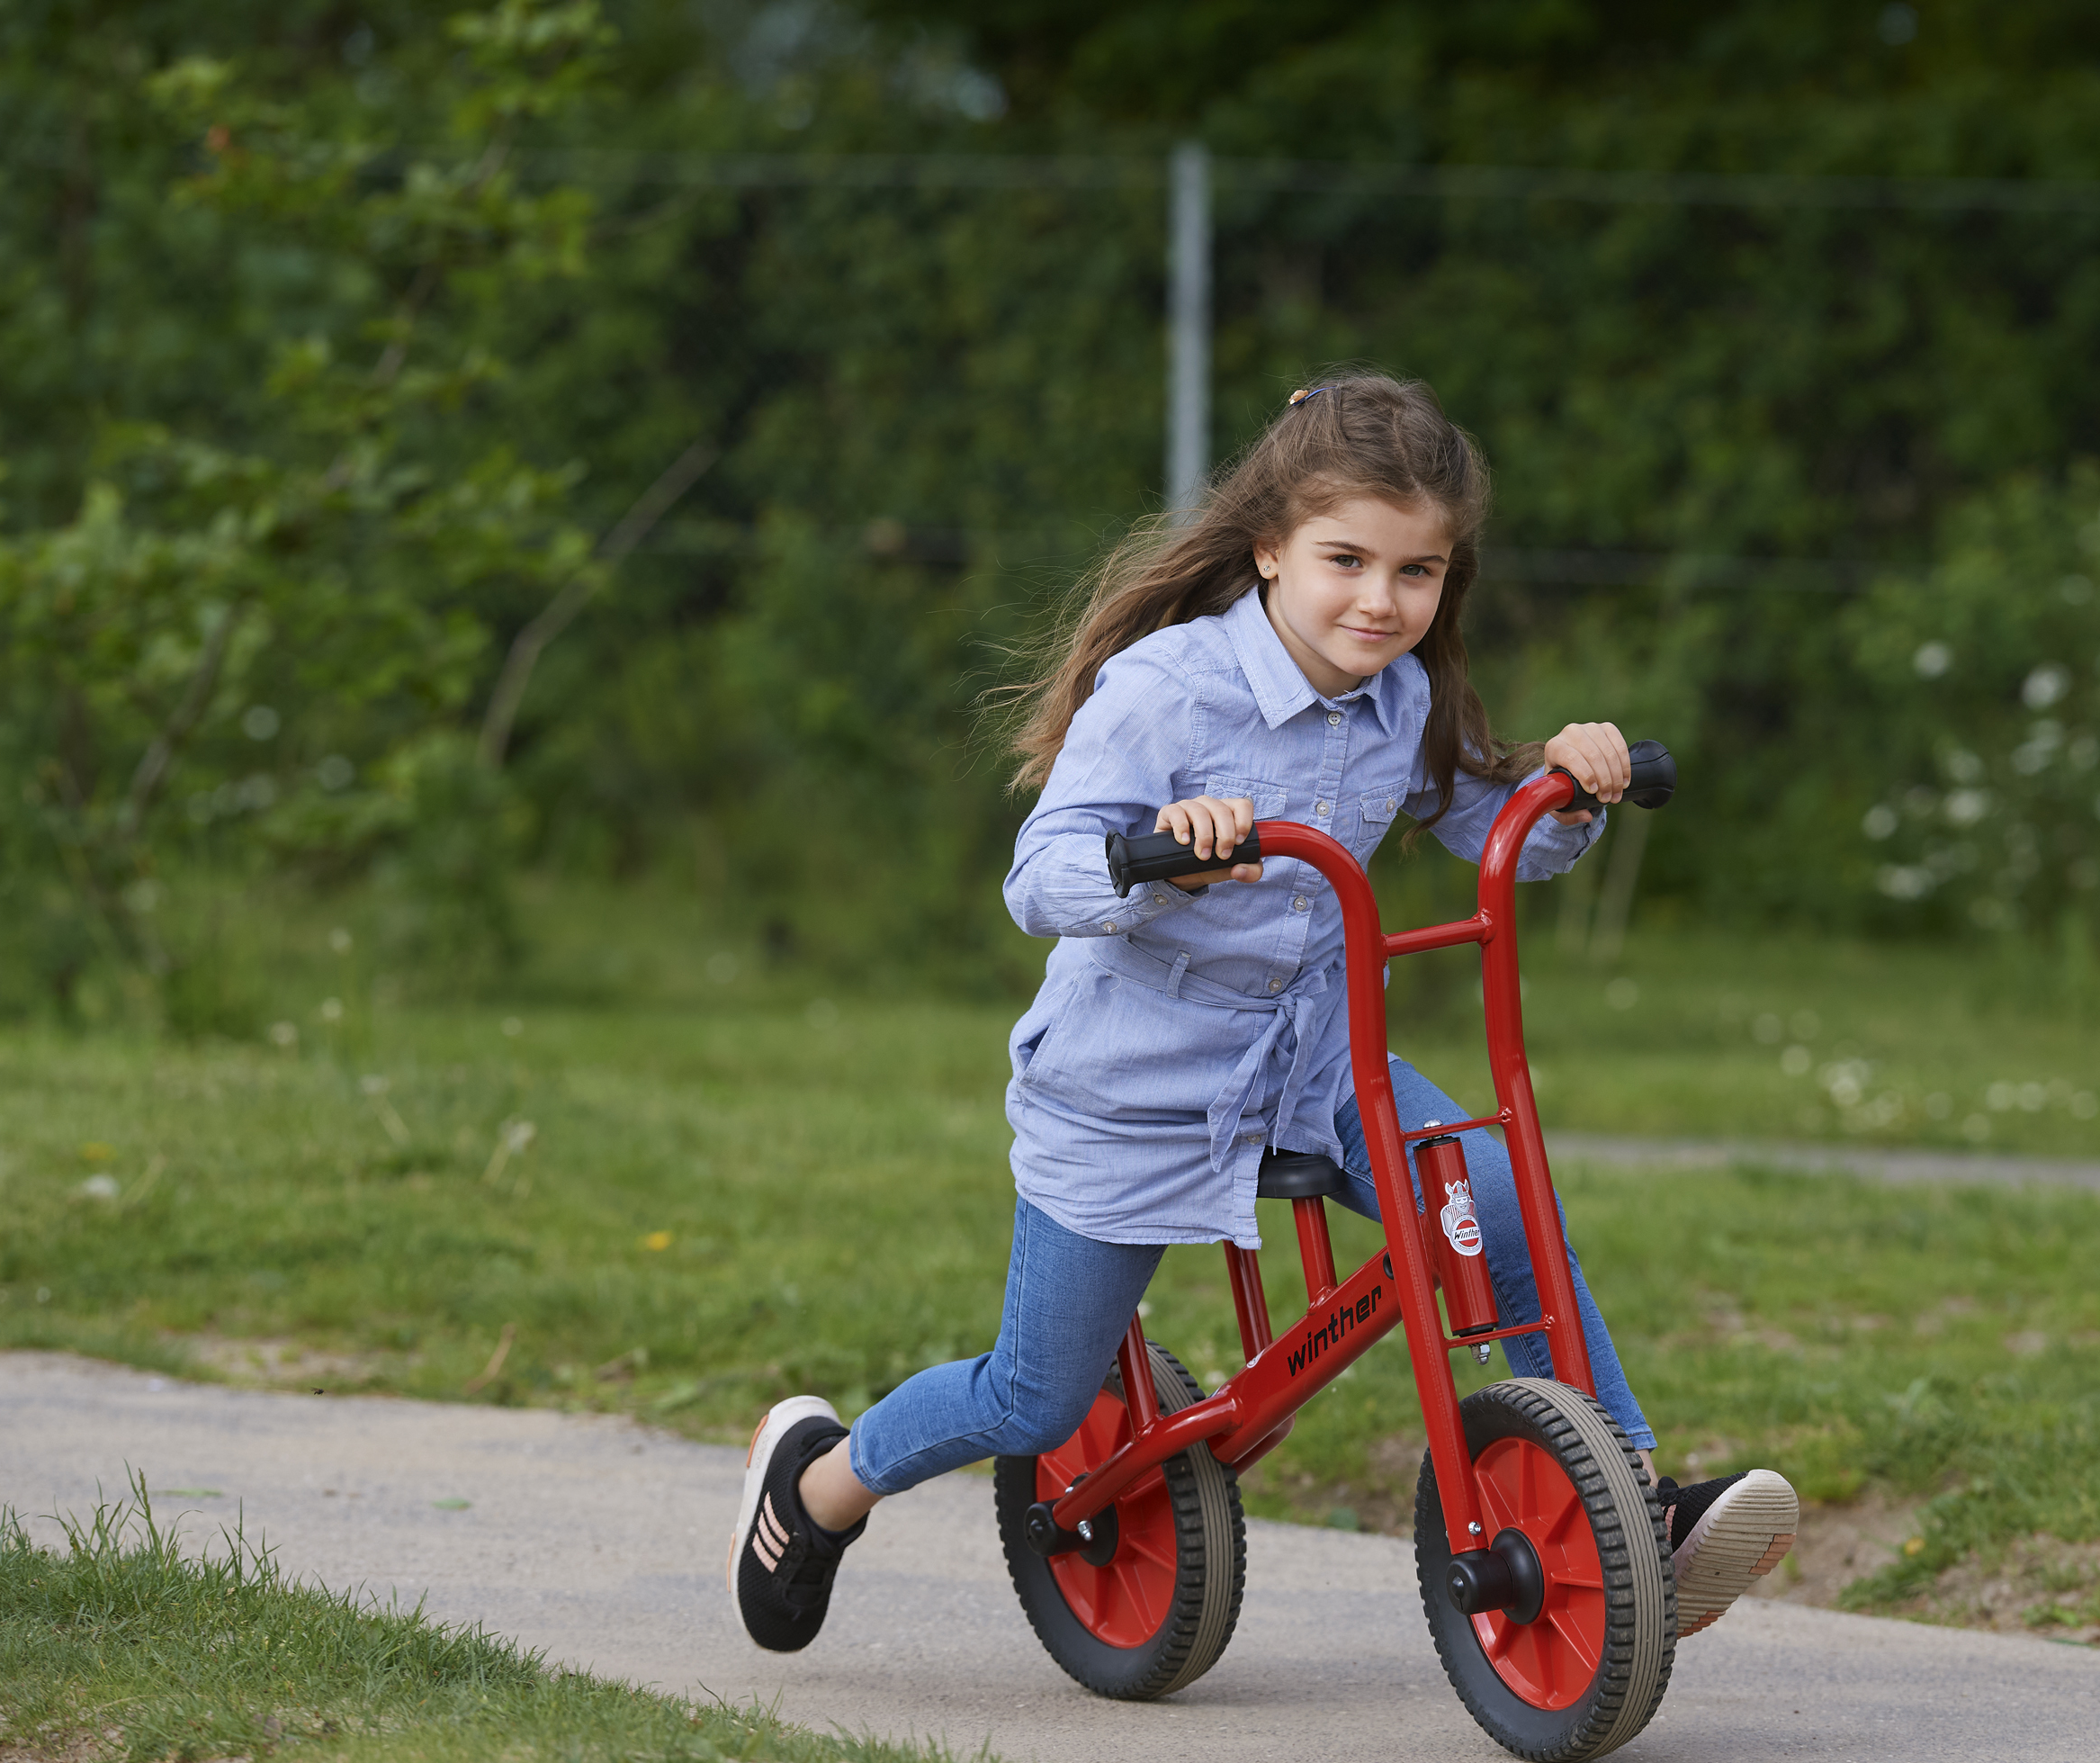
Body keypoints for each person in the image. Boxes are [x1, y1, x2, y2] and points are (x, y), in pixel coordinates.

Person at [729, 372, 1797, 1657]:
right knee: (1036, 1398)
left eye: (1417, 572)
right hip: (1134, 1083)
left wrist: (1566, 787)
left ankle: (1632, 1504)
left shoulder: (1403, 695)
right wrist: (1159, 855)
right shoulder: (1166, 690)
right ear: (1271, 548)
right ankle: (818, 1484)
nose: (1381, 602)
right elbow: (1038, 878)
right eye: (1348, 561)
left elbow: (1487, 824)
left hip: (1322, 1067)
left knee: (1503, 1206)